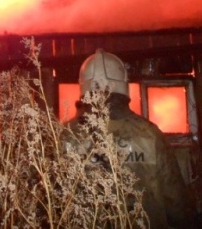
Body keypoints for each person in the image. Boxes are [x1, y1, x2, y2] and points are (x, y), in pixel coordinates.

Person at [65, 49, 195, 228]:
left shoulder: (63, 136)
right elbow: (176, 204)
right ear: (124, 86)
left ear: (83, 88)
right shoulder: (149, 134)